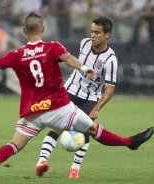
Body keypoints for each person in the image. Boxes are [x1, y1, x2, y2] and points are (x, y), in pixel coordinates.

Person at [0, 13, 154, 184]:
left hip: (32, 113)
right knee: (93, 130)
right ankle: (129, 142)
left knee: (14, 145)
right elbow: (70, 59)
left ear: (24, 31)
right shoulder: (52, 47)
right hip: (59, 107)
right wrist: (83, 67)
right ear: (43, 30)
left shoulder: (16, 54)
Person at [35, 16, 119, 179]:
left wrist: (96, 109)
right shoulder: (84, 43)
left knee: (85, 131)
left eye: (97, 33)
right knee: (57, 127)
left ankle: (74, 169)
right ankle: (41, 162)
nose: (93, 36)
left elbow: (109, 90)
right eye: (92, 32)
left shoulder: (110, 60)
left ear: (107, 35)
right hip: (70, 91)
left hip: (90, 98)